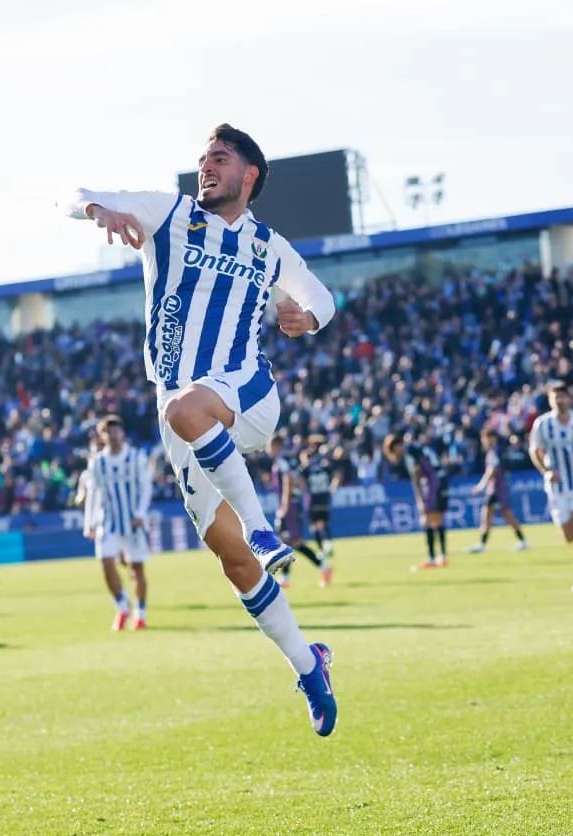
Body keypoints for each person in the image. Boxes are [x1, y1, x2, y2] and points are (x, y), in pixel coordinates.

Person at [64, 123, 337, 737]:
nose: (206, 167)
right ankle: (307, 663)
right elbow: (71, 194)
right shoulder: (170, 214)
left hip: (246, 393)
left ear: (250, 175)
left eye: (220, 158)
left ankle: (263, 529)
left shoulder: (269, 247)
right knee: (232, 560)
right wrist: (96, 209)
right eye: (203, 159)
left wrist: (306, 317)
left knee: (186, 412)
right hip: (182, 413)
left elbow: (323, 299)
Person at [528, 381, 573, 592]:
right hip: (557, 488)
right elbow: (535, 451)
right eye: (555, 397)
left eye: (563, 396)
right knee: (569, 535)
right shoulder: (542, 425)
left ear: (570, 399)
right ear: (551, 400)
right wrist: (546, 471)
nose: (560, 401)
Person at [81, 416, 153, 631]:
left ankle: (140, 613)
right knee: (105, 562)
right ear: (103, 436)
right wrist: (90, 523)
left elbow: (145, 487)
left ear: (122, 433)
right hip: (108, 521)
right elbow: (93, 493)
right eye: (107, 432)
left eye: (116, 430)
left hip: (133, 521)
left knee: (136, 567)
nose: (112, 435)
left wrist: (141, 512)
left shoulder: (135, 457)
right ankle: (122, 607)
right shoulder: (98, 463)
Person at [266, 436, 331, 588]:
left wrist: (285, 505)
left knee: (293, 542)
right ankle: (288, 577)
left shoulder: (282, 461)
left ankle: (323, 567)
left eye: (269, 447)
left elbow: (288, 480)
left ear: (276, 446)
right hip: (292, 504)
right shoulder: (288, 460)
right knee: (287, 542)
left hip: (289, 507)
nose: (267, 450)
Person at [381, 432, 447, 570]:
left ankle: (431, 558)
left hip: (432, 482)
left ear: (398, 446)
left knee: (426, 519)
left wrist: (419, 499)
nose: (395, 455)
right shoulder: (417, 447)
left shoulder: (409, 453)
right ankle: (443, 557)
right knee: (438, 519)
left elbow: (415, 476)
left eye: (394, 451)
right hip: (443, 478)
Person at [467, 430, 528, 554]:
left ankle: (483, 544)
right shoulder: (495, 451)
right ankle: (484, 544)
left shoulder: (494, 452)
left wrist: (481, 486)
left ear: (492, 438)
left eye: (486, 438)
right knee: (495, 514)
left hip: (497, 489)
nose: (484, 441)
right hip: (497, 488)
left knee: (500, 514)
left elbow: (492, 470)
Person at [300, 441, 335, 560]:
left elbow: (302, 484)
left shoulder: (306, 469)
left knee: (314, 526)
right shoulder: (323, 467)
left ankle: (321, 549)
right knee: (324, 523)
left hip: (312, 499)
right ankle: (329, 544)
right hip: (324, 498)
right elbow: (335, 473)